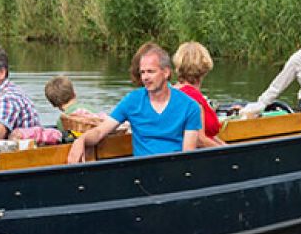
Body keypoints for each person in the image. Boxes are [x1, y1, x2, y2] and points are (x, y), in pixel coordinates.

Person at [66, 43, 201, 163]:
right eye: (142, 72)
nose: (145, 77)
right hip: (141, 173)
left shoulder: (190, 107)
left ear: (166, 72)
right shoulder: (132, 101)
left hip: (174, 170)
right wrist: (81, 140)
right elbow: (101, 131)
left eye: (150, 72)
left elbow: (186, 157)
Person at [172, 41, 225, 147]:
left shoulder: (174, 90)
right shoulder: (193, 98)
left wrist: (226, 147)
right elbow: (199, 139)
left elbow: (207, 134)